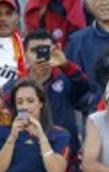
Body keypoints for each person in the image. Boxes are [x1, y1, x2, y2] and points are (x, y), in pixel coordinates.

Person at [6, 29, 90, 162]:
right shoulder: (14, 86)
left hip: (64, 155)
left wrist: (65, 65)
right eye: (34, 51)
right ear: (25, 54)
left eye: (45, 50)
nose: (40, 56)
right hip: (26, 154)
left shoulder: (66, 79)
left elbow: (86, 87)